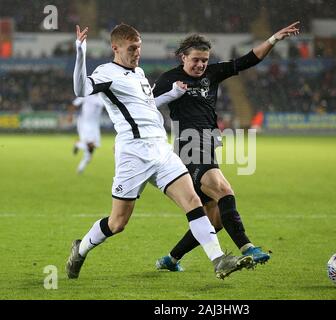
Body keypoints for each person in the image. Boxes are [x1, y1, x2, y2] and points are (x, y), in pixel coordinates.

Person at [66, 23, 254, 280]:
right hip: (133, 154)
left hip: (160, 149)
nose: (137, 53)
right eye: (132, 48)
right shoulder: (106, 72)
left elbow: (148, 107)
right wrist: (80, 51)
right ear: (116, 48)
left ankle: (219, 260)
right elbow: (80, 90)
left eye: (139, 48)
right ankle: (81, 248)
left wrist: (173, 94)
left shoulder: (139, 73)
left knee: (193, 201)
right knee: (117, 223)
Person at [153, 22, 300, 272]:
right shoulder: (170, 79)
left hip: (208, 146)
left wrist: (274, 38)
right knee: (223, 189)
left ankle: (171, 259)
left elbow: (248, 60)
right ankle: (247, 247)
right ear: (183, 57)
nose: (200, 65)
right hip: (189, 147)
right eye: (196, 60)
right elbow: (145, 106)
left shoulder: (213, 73)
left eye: (205, 60)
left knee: (215, 219)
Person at [71, 93, 105, 174]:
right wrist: (70, 115)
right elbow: (75, 104)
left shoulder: (102, 97)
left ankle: (81, 166)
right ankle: (79, 144)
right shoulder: (86, 94)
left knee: (92, 149)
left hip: (95, 125)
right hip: (84, 123)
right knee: (90, 145)